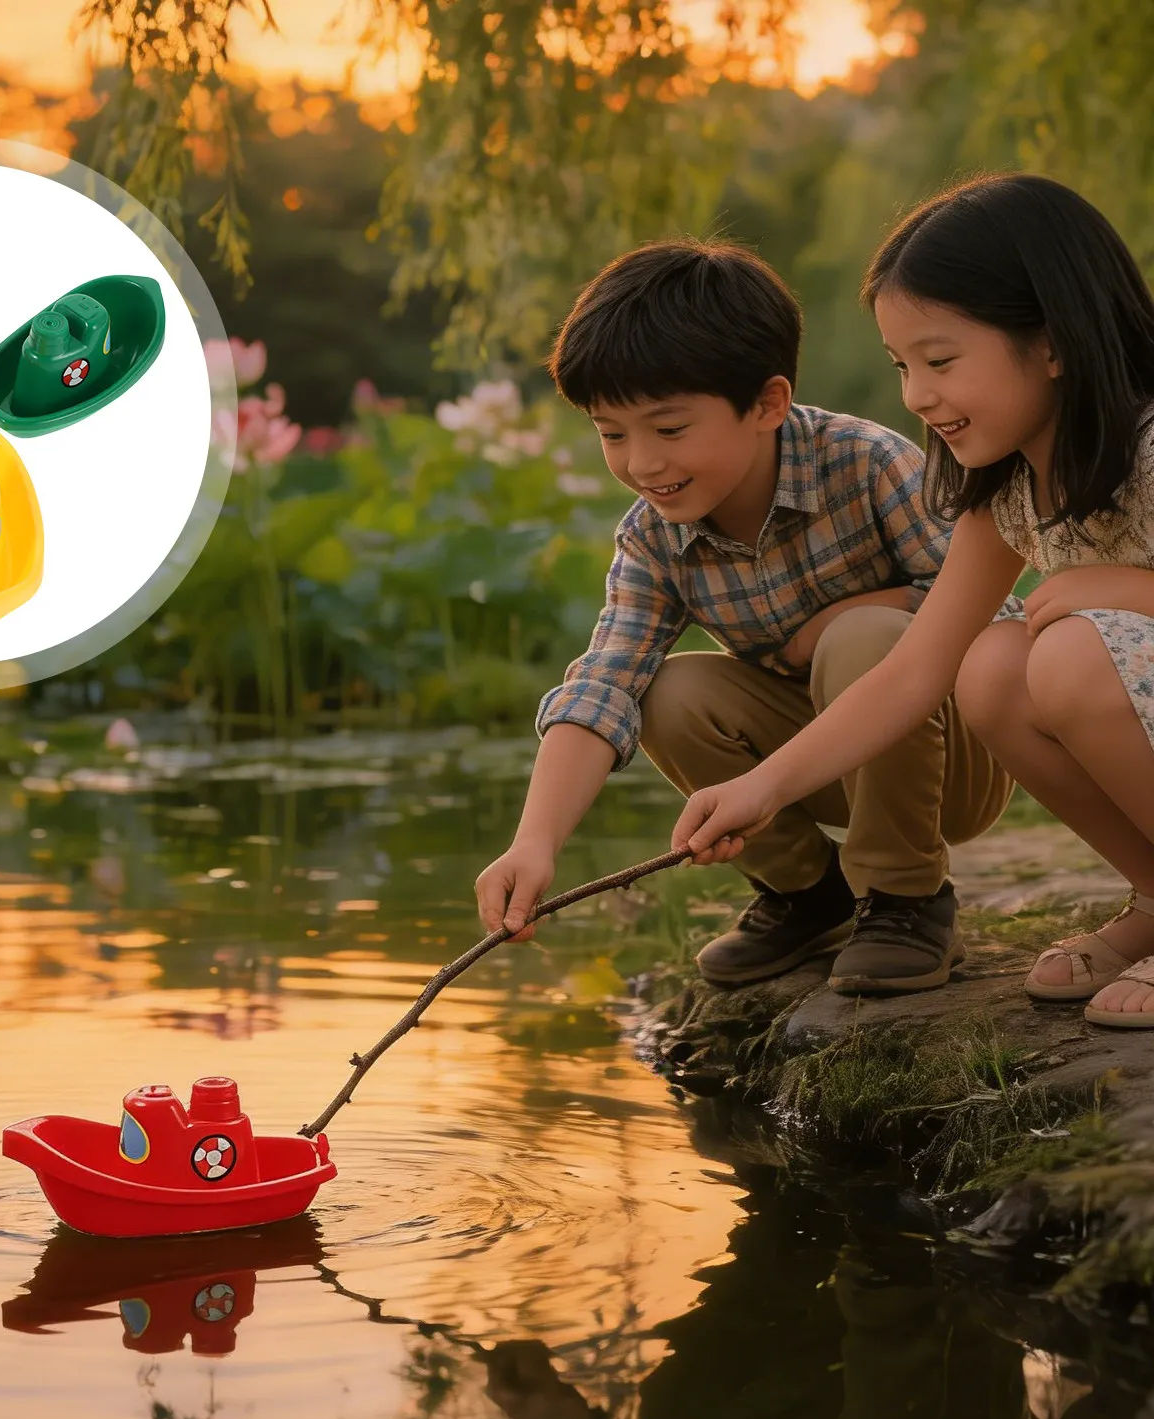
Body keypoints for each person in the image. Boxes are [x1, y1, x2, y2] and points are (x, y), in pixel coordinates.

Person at [674, 173, 1154, 1028]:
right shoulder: (1009, 491)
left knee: (1070, 649)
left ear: (1051, 343)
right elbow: (911, 674)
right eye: (903, 367)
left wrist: (1112, 587)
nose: (915, 397)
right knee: (991, 664)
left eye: (939, 361)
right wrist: (764, 788)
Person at [475, 239, 1013, 993]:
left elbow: (997, 611)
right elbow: (602, 684)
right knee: (662, 691)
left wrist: (857, 613)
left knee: (864, 637)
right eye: (611, 434)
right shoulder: (653, 535)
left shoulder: (865, 463)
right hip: (806, 768)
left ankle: (906, 899)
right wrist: (533, 843)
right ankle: (807, 897)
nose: (642, 464)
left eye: (668, 430)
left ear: (768, 403)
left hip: (949, 757)